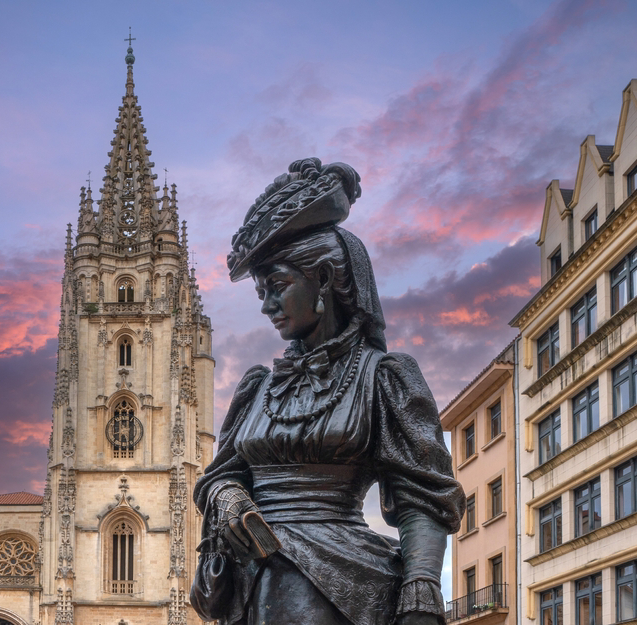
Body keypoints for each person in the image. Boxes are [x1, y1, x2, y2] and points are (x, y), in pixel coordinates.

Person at [190, 158, 465, 625]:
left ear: (323, 279)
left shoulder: (384, 377)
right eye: (260, 292)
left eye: (277, 286)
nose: (267, 306)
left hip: (341, 575)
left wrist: (421, 588)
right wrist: (228, 497)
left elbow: (424, 496)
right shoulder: (258, 388)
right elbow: (219, 475)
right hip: (250, 579)